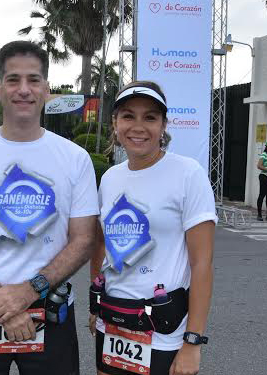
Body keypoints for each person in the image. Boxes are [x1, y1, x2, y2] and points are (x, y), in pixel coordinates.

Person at [0, 40, 99, 375]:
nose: (23, 90)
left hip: (50, 311)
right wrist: (4, 302)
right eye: (13, 80)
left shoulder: (75, 158)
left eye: (33, 80)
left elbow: (83, 240)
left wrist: (29, 291)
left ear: (46, 89)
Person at [89, 81, 217, 375]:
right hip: (113, 321)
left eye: (150, 117)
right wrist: (94, 308)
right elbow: (100, 245)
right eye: (128, 116)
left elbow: (202, 263)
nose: (138, 126)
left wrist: (192, 342)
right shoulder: (110, 178)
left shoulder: (187, 174)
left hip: (164, 332)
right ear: (115, 123)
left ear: (163, 125)